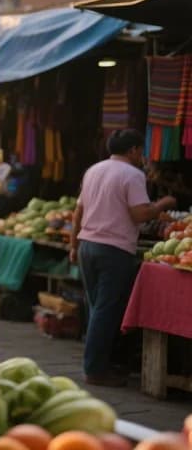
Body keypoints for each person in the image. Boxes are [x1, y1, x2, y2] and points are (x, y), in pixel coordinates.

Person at [70, 129, 175, 387]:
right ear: (133, 150)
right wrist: (163, 203)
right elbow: (140, 214)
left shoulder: (93, 170)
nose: (142, 156)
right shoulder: (132, 174)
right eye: (141, 150)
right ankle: (95, 369)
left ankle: (103, 363)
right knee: (106, 311)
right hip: (113, 250)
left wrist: (73, 245)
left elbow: (78, 211)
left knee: (97, 309)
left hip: (88, 245)